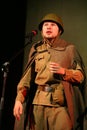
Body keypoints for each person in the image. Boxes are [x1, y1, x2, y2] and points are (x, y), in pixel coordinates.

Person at [13, 13, 87, 130]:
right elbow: (26, 79)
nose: (48, 27)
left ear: (60, 30)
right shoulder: (36, 49)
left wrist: (64, 71)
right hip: (38, 104)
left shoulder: (69, 49)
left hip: (59, 105)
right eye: (45, 25)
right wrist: (18, 100)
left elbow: (80, 76)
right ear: (42, 30)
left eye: (52, 25)